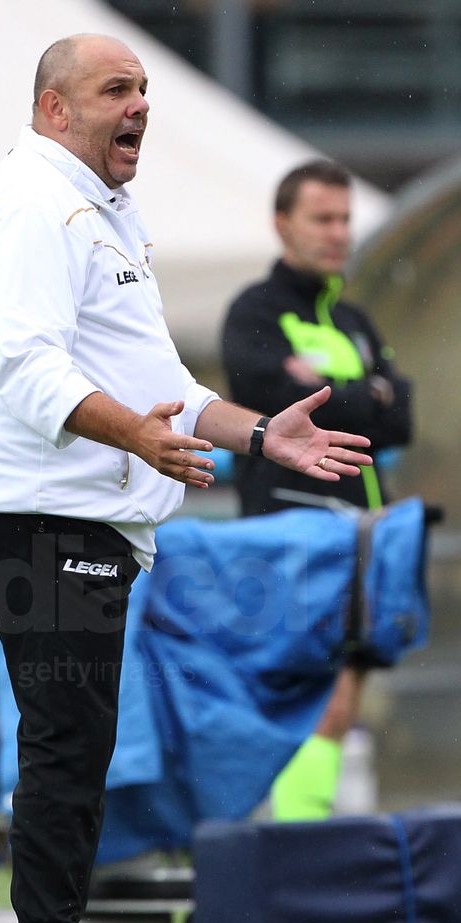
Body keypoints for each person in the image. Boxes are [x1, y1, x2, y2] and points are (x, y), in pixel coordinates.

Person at [0, 35, 372, 923]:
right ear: (52, 109)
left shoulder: (96, 207)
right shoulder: (38, 205)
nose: (138, 107)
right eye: (114, 90)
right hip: (38, 509)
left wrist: (259, 434)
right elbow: (29, 369)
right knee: (65, 743)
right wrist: (142, 439)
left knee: (73, 742)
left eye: (143, 90)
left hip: (73, 511)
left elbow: (155, 374)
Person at [220, 159, 412, 821]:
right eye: (321, 219)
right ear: (283, 224)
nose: (338, 233)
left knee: (343, 701)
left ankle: (296, 850)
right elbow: (267, 395)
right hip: (288, 535)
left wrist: (343, 392)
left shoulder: (354, 320)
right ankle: (286, 856)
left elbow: (401, 417)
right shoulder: (254, 310)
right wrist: (371, 392)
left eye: (345, 219)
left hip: (358, 540)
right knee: (309, 702)